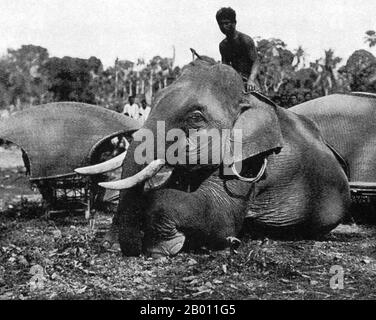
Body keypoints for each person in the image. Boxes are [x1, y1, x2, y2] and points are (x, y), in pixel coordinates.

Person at [216, 7, 260, 92]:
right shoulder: (223, 45)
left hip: (250, 81)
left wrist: (251, 80)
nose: (223, 26)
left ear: (234, 23)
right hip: (235, 81)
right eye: (220, 24)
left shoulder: (245, 40)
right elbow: (226, 67)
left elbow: (256, 62)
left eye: (227, 23)